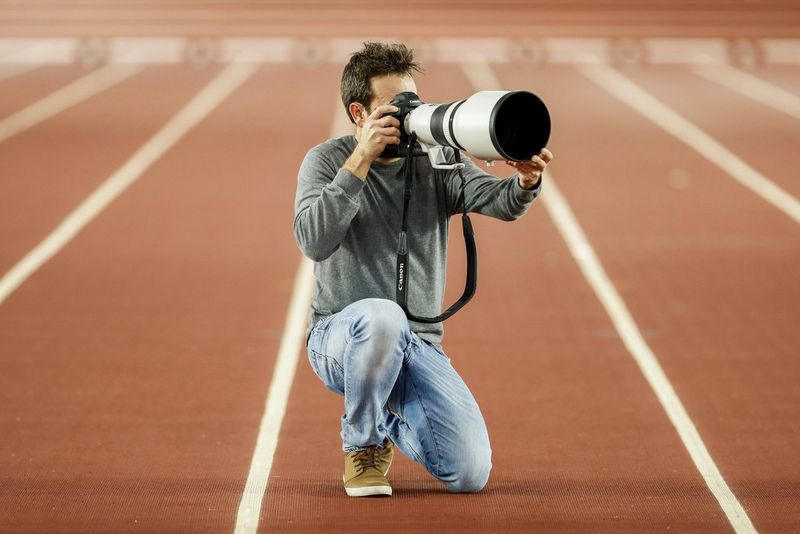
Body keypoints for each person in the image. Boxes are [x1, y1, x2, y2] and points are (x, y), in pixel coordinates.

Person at [293, 41, 553, 497]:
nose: (409, 114)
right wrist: (361, 161)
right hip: (338, 337)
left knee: (470, 473)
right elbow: (313, 240)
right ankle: (363, 445)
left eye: (413, 101)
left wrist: (526, 180)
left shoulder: (435, 160)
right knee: (381, 317)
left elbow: (500, 201)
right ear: (359, 113)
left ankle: (388, 414)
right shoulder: (328, 160)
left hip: (416, 344)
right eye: (396, 107)